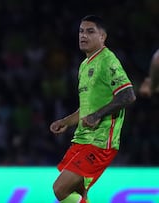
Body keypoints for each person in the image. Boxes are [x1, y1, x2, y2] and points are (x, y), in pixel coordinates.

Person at [49, 15, 136, 203]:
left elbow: (128, 95)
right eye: (81, 31)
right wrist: (65, 121)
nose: (83, 35)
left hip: (100, 141)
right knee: (79, 193)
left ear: (102, 36)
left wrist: (98, 115)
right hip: (82, 138)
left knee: (60, 189)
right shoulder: (84, 65)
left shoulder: (108, 60)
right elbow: (87, 108)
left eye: (90, 31)